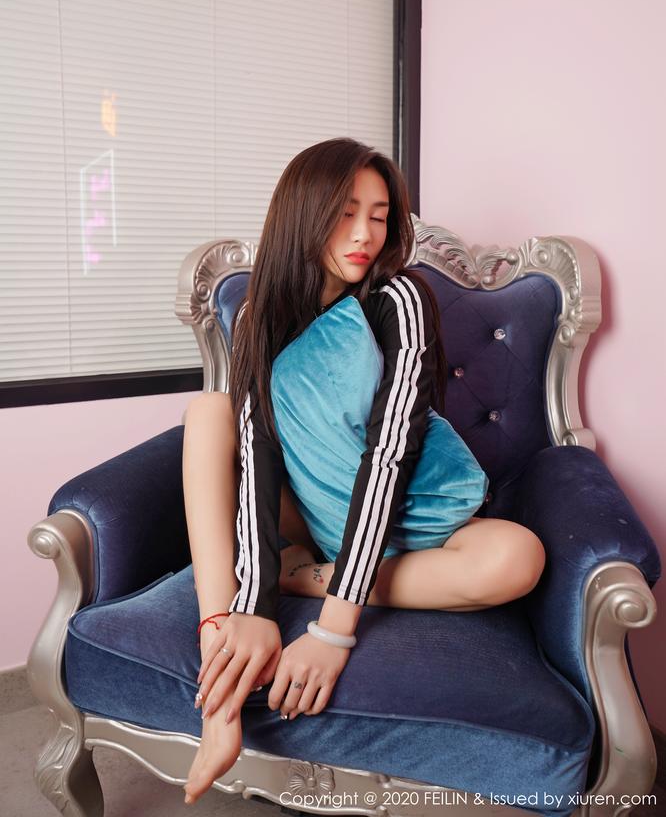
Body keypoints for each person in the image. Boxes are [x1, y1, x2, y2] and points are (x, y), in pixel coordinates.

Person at [182, 138, 546, 805]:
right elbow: (258, 457)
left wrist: (331, 628)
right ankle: (221, 650)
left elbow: (390, 456)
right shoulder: (262, 314)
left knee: (517, 556)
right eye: (346, 213)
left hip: (406, 518)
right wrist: (252, 608)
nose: (364, 234)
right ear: (305, 213)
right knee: (210, 414)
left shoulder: (399, 297)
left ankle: (304, 577)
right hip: (308, 508)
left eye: (379, 216)